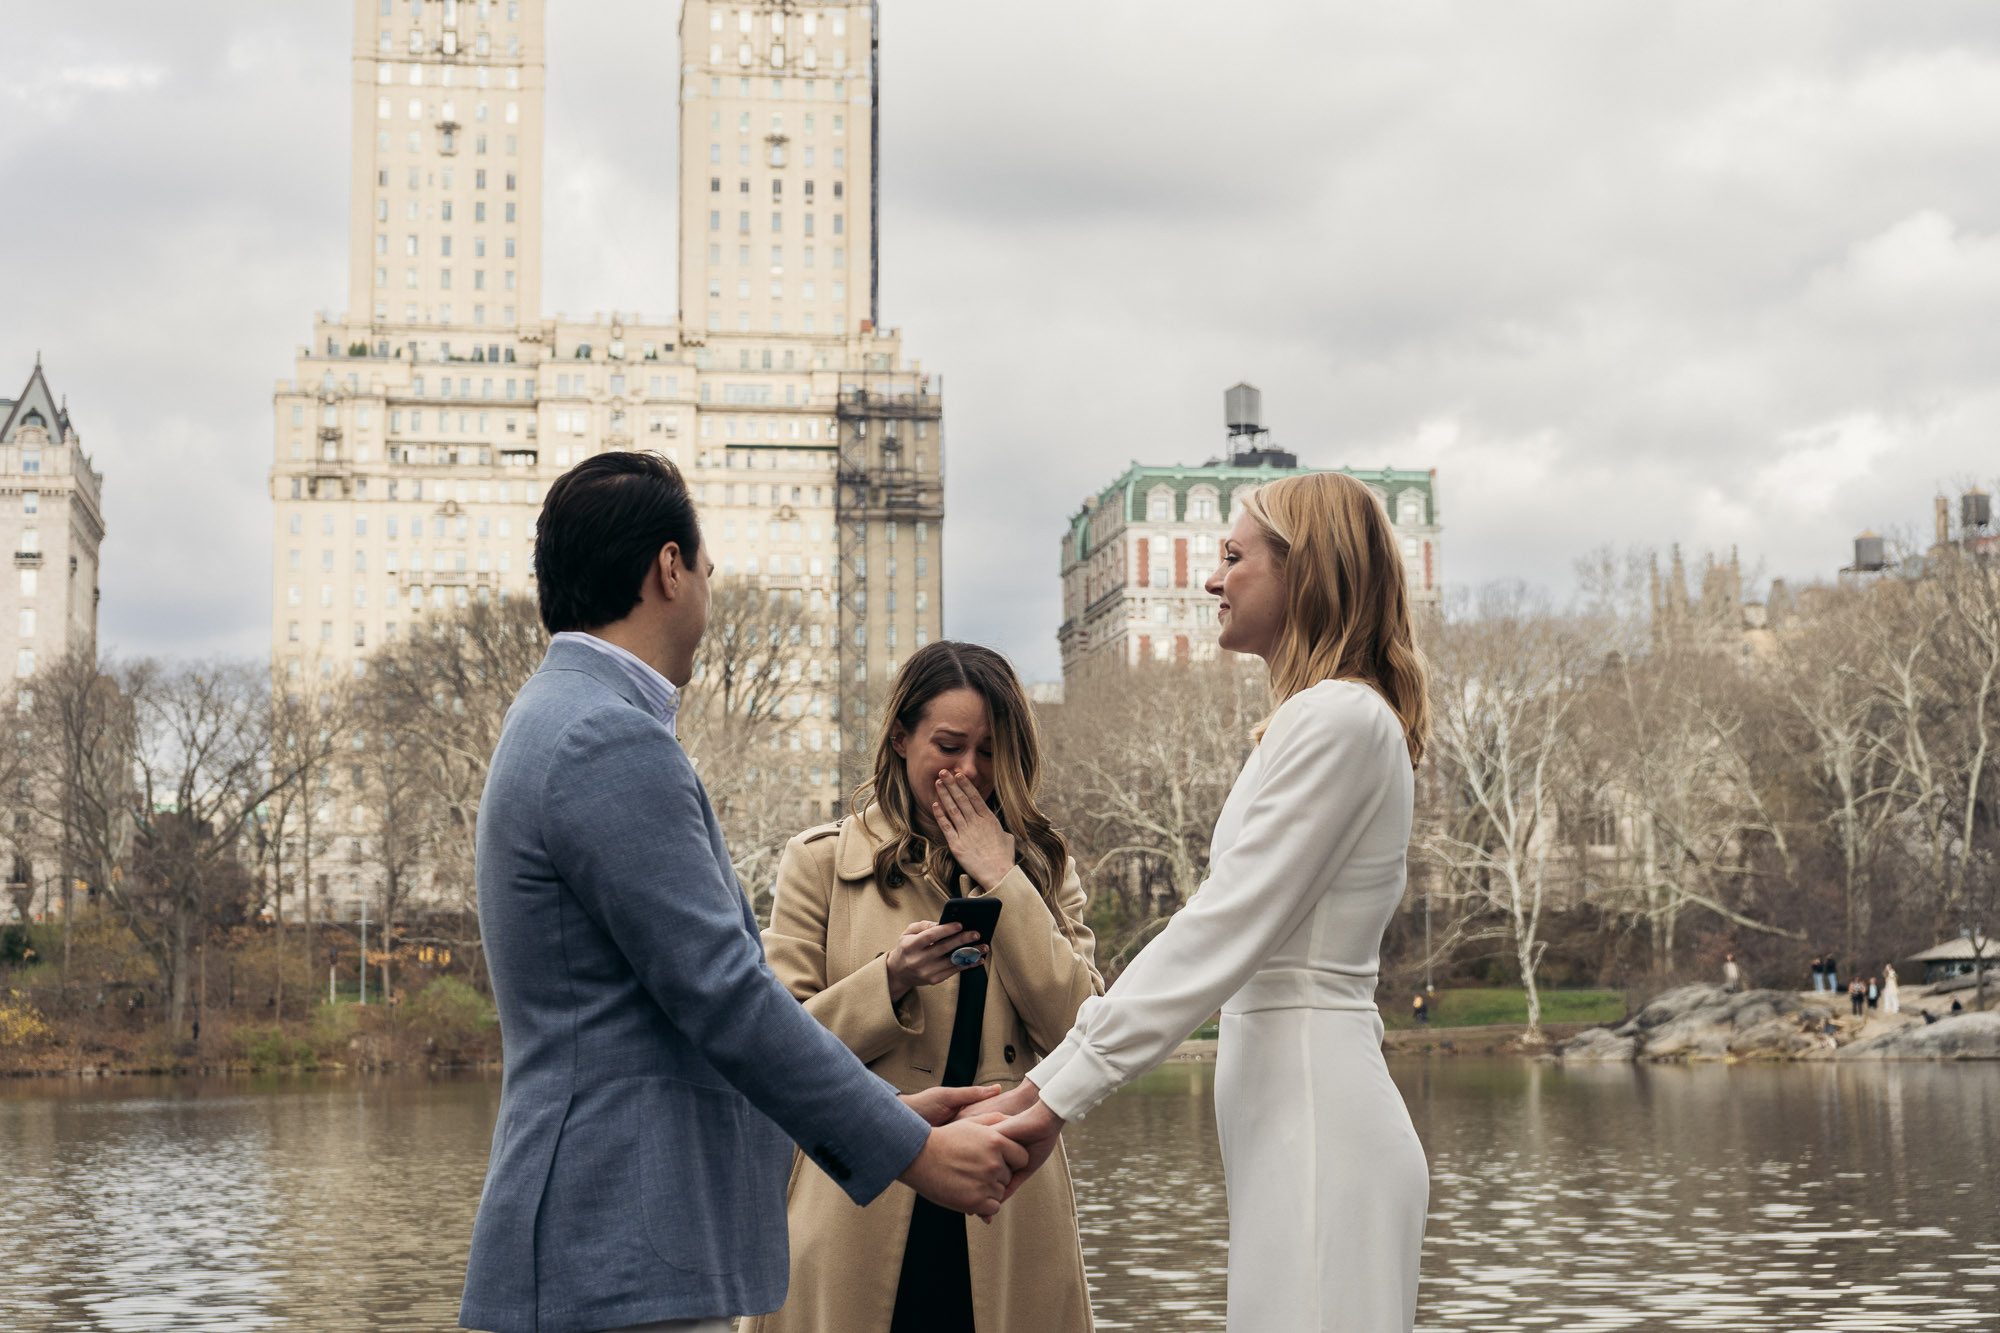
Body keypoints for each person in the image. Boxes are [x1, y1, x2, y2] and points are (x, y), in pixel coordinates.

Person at [459, 453, 1027, 1333]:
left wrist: (886, 1109)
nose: (709, 594)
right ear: (669, 568)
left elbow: (668, 1023)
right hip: (616, 1251)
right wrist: (914, 1150)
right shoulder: (605, 738)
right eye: (708, 570)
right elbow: (726, 995)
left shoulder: (557, 715)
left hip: (608, 1246)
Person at [979, 471, 1432, 1331]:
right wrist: (1048, 1087)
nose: (1212, 579)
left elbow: (1221, 929)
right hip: (1290, 1127)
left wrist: (1053, 1090)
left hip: (1319, 1129)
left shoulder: (1340, 718)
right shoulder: (1317, 719)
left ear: (1310, 572)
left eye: (1233, 557)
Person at [746, 642, 1103, 1333]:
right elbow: (772, 1052)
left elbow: (1084, 1036)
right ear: (901, 737)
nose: (969, 769)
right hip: (858, 1201)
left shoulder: (1044, 869)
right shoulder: (819, 863)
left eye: (990, 750)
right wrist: (890, 979)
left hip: (1007, 1207)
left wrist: (1005, 880)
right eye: (949, 744)